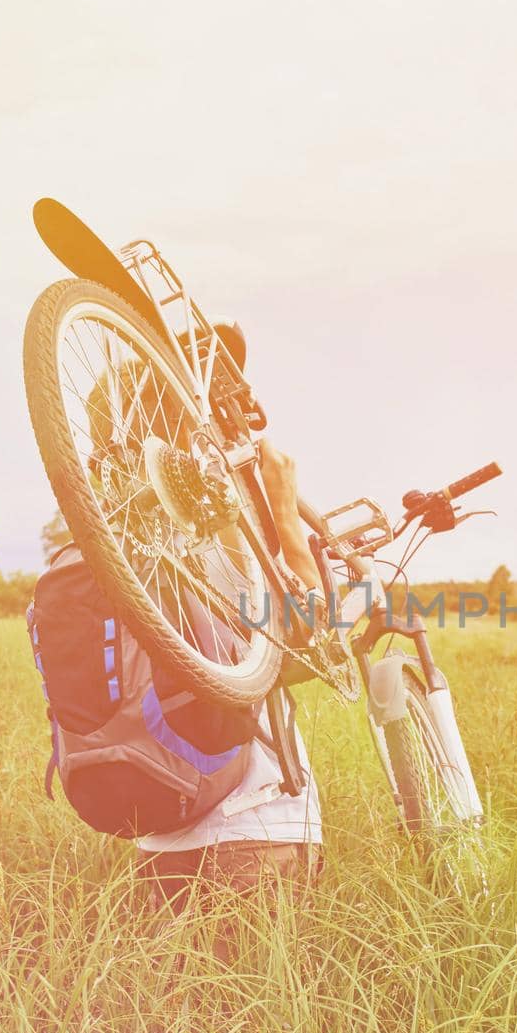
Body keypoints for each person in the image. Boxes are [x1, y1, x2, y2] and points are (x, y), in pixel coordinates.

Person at [130, 322, 326, 912]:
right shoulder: (218, 513)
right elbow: (303, 644)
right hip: (258, 830)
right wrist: (285, 511)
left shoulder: (120, 522)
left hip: (158, 840)